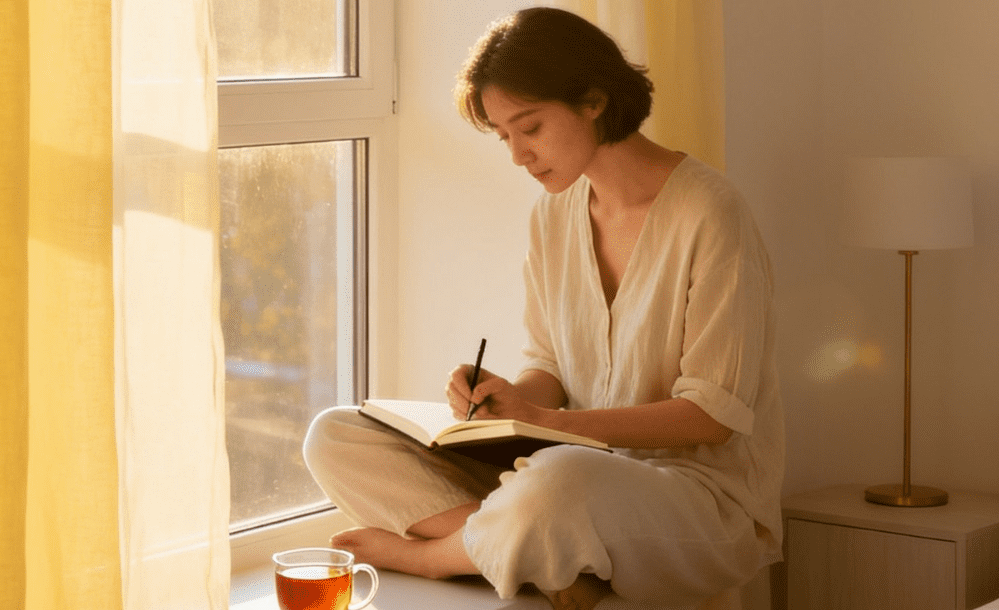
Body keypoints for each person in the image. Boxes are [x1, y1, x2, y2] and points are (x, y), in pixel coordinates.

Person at [303, 7, 784, 610]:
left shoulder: (712, 213)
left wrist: (549, 426)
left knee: (557, 482)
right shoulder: (553, 215)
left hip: (694, 499)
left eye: (529, 127)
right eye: (505, 136)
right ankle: (537, 551)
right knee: (337, 435)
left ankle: (437, 556)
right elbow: (550, 366)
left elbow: (711, 415)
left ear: (593, 100)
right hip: (569, 474)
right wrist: (510, 398)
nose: (518, 156)